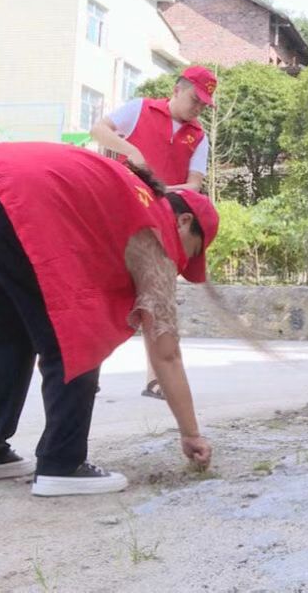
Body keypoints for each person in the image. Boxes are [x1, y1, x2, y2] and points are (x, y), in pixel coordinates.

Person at [0, 141, 219, 496]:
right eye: (193, 252)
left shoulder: (129, 196)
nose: (182, 266)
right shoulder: (155, 228)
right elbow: (166, 352)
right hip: (3, 197)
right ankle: (62, 463)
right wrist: (191, 433)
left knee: (2, 332)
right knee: (79, 329)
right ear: (184, 223)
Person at [90, 65, 217, 399]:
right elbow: (98, 130)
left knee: (158, 300)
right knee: (101, 293)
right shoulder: (140, 109)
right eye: (195, 99)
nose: (198, 108)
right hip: (118, 215)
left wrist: (158, 189)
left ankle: (156, 378)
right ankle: (88, 371)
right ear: (178, 89)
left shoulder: (198, 136)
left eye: (204, 104)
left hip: (162, 224)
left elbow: (193, 186)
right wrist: (130, 152)